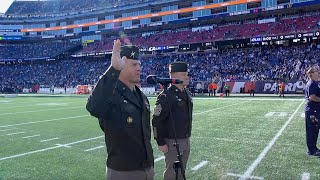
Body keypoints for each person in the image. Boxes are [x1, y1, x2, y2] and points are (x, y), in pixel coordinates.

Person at [86, 40, 154, 180]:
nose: (139, 68)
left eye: (139, 64)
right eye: (134, 64)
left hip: (147, 168)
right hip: (123, 172)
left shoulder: (141, 96)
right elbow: (93, 107)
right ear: (121, 67)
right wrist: (113, 70)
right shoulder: (111, 94)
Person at [152, 62, 193, 180]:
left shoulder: (187, 93)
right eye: (183, 74)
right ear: (174, 76)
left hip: (185, 138)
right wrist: (160, 142)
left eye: (187, 74)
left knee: (181, 172)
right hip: (172, 141)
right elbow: (156, 121)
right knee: (172, 173)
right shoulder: (166, 96)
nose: (187, 77)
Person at [305, 67, 320, 157]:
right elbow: (312, 97)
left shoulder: (315, 83)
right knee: (312, 130)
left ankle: (313, 149)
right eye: (316, 71)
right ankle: (312, 150)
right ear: (311, 74)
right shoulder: (311, 84)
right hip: (312, 111)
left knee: (315, 129)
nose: (318, 72)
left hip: (315, 110)